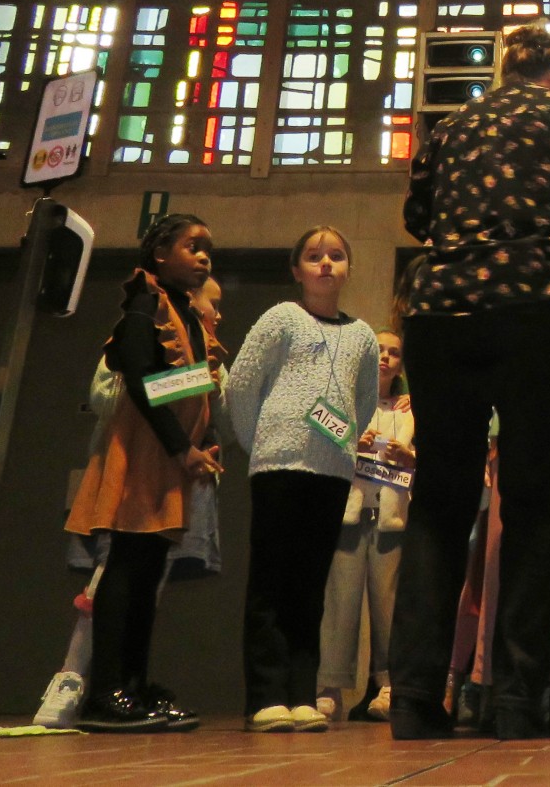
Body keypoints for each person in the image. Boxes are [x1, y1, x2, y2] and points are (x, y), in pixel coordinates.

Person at [390, 23, 550, 741]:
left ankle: (412, 697)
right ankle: (517, 700)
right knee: (530, 504)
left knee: (440, 501)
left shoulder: (456, 121)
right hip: (531, 309)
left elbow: (416, 214)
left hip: (439, 311)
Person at [35, 275, 227, 730]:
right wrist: (192, 382)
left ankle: (129, 686)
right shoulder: (147, 327)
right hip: (133, 472)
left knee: (147, 581)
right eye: (210, 302)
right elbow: (112, 393)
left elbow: (216, 412)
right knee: (112, 573)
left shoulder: (213, 351)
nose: (217, 314)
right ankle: (74, 681)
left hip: (180, 480)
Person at [226, 225, 379, 734]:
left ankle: (301, 691)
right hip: (278, 465)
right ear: (297, 270)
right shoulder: (280, 319)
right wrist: (260, 441)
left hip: (332, 471)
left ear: (349, 267)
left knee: (313, 586)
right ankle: (267, 695)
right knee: (272, 580)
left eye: (336, 256)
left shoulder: (362, 335)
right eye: (314, 257)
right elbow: (243, 386)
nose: (326, 265)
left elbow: (362, 402)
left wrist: (343, 447)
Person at [317, 328, 414, 723]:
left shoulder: (410, 410)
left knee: (388, 604)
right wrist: (350, 442)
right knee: (339, 602)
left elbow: (422, 461)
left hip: (390, 519)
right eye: (378, 350)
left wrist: (407, 455)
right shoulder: (341, 400)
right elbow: (318, 434)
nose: (385, 358)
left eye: (393, 352)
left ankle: (388, 685)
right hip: (348, 515)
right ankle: (329, 687)